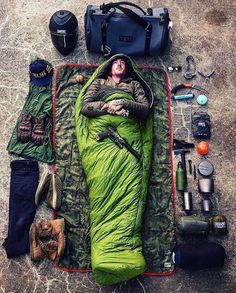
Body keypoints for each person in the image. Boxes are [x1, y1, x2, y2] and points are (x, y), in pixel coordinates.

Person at [81, 58, 150, 120]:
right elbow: (86, 108)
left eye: (122, 62)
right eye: (115, 62)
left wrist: (122, 103)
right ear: (110, 69)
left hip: (127, 124)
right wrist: (108, 106)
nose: (119, 64)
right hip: (101, 125)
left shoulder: (134, 84)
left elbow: (145, 110)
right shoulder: (99, 82)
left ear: (126, 70)